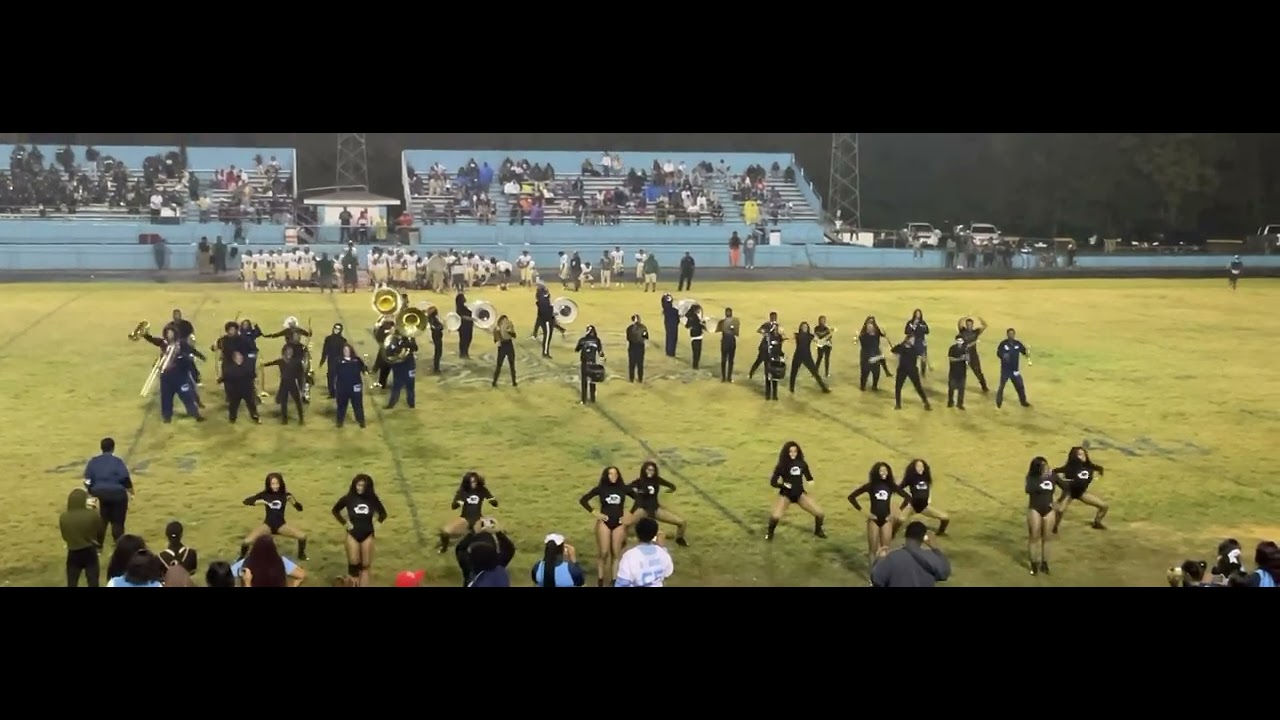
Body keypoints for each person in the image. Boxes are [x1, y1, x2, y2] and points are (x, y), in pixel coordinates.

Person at [579, 466, 637, 586]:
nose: (613, 476)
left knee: (616, 553)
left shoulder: (623, 488)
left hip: (619, 523)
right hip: (604, 523)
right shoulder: (601, 489)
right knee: (604, 552)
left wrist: (629, 514)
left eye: (615, 474)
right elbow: (583, 500)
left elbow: (639, 499)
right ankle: (600, 580)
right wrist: (594, 512)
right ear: (606, 475)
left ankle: (614, 580)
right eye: (610, 474)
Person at [848, 462, 912, 564]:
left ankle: (883, 573)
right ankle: (872, 575)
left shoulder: (891, 485)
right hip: (873, 519)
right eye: (881, 470)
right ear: (876, 472)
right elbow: (851, 497)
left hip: (886, 520)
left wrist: (898, 511)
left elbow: (908, 497)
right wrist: (865, 513)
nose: (884, 473)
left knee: (885, 549)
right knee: (872, 550)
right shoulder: (870, 486)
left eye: (885, 470)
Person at [331, 474, 387, 587]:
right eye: (358, 485)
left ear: (368, 487)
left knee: (365, 566)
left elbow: (383, 514)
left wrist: (376, 525)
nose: (360, 488)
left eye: (363, 485)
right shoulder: (348, 498)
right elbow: (335, 510)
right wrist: (345, 523)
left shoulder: (372, 499)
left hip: (368, 534)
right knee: (353, 564)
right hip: (352, 534)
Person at [765, 441, 826, 541]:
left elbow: (807, 474)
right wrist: (783, 485)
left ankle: (818, 531)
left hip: (799, 494)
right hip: (786, 495)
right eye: (790, 451)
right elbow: (773, 482)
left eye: (795, 451)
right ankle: (769, 534)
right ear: (786, 453)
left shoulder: (801, 463)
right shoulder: (782, 465)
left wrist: (810, 480)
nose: (793, 453)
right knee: (776, 516)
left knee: (820, 514)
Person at [241, 472, 308, 560]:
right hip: (267, 525)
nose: (275, 486)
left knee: (302, 536)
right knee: (246, 542)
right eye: (272, 484)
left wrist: (294, 502)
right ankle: (241, 558)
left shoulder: (286, 495)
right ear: (269, 484)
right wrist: (261, 502)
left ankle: (301, 556)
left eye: (277, 483)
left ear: (281, 483)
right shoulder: (264, 494)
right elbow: (246, 501)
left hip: (281, 525)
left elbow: (300, 509)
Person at [869, 521, 951, 587]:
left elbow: (876, 580)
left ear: (906, 535)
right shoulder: (932, 558)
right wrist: (935, 548)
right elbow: (944, 573)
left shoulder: (892, 558)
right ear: (923, 539)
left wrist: (879, 560)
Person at [83, 437, 134, 545]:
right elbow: (125, 479)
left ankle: (98, 546)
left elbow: (87, 481)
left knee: (102, 520)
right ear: (113, 448)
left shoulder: (93, 462)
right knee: (117, 522)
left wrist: (90, 491)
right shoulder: (117, 462)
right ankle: (119, 545)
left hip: (99, 494)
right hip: (117, 494)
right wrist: (131, 491)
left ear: (101, 448)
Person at [627, 460, 688, 546]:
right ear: (644, 470)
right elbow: (627, 489)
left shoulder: (657, 480)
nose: (650, 472)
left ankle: (679, 539)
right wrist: (638, 493)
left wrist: (671, 489)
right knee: (626, 525)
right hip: (642, 509)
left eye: (652, 470)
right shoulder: (639, 481)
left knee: (682, 522)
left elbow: (671, 485)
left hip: (655, 508)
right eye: (648, 470)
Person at [438, 472, 499, 553]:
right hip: (465, 518)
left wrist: (492, 501)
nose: (474, 484)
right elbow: (453, 506)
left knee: (480, 537)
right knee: (445, 532)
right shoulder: (462, 491)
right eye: (471, 482)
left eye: (475, 481)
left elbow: (494, 503)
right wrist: (460, 502)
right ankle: (443, 548)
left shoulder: (482, 490)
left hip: (477, 518)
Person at [1052, 447, 1108, 533]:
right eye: (1080, 454)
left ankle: (1097, 523)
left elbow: (1099, 468)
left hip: (1081, 493)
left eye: (1084, 454)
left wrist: (1100, 472)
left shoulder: (1089, 466)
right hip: (1069, 492)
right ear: (1074, 456)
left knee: (1104, 506)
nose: (1083, 456)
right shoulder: (1070, 467)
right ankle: (1054, 527)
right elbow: (1055, 471)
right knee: (1060, 511)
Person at [1025, 456, 1063, 576]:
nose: (1047, 468)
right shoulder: (1031, 477)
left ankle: (1045, 564)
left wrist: (1059, 502)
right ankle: (1033, 564)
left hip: (1049, 510)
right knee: (1034, 537)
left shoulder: (1053, 476)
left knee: (1047, 538)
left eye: (1047, 465)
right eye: (1044, 466)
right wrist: (1042, 479)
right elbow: (1029, 489)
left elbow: (1066, 488)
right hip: (1035, 509)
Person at [60, 488, 104, 587]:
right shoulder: (92, 514)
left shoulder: (64, 516)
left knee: (72, 582)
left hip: (73, 551)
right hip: (89, 551)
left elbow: (64, 536)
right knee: (93, 581)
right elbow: (99, 530)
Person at [455, 517, 516, 586]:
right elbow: (509, 549)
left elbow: (460, 549)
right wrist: (498, 532)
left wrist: (473, 533)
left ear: (471, 560)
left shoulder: (470, 570)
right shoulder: (500, 569)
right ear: (495, 555)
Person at [615, 517, 674, 587]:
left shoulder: (630, 556)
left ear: (637, 534)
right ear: (654, 535)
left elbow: (622, 583)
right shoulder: (662, 553)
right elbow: (667, 573)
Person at [897, 459, 950, 535]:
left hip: (924, 507)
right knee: (900, 520)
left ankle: (941, 533)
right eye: (918, 466)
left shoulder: (926, 478)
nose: (920, 468)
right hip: (912, 506)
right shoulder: (911, 478)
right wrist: (907, 497)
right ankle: (892, 533)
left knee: (945, 518)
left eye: (922, 466)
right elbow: (898, 488)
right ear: (913, 468)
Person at [232, 536, 307, 587]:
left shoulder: (246, 564)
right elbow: (301, 575)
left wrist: (247, 582)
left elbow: (226, 575)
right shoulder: (281, 561)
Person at [263, 344, 306, 424]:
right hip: (284, 383)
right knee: (284, 402)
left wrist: (301, 388)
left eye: (291, 351)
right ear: (284, 352)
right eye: (288, 351)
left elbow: (301, 375)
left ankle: (301, 418)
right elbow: (271, 363)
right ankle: (284, 419)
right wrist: (263, 365)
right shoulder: (281, 361)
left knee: (297, 401)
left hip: (293, 383)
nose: (289, 353)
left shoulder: (296, 362)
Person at [890, 335, 931, 410]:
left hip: (912, 370)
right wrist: (898, 348)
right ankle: (898, 404)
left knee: (918, 387)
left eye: (913, 340)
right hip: (902, 370)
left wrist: (923, 356)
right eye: (912, 340)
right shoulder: (901, 347)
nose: (913, 341)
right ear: (907, 340)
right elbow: (893, 350)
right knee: (898, 387)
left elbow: (922, 355)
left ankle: (926, 403)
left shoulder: (914, 348)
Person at [994, 327, 1032, 409]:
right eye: (1010, 334)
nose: (1011, 335)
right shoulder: (1003, 344)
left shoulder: (1017, 344)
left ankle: (1023, 402)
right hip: (1005, 370)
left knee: (1020, 387)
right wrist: (1003, 355)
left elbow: (1024, 351)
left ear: (1014, 334)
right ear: (1007, 335)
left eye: (1012, 334)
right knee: (1002, 386)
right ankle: (998, 402)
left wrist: (1027, 353)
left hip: (1015, 370)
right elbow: (998, 353)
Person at [789, 321, 830, 394]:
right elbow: (790, 340)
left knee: (815, 373)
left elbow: (820, 342)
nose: (804, 328)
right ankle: (791, 388)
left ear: (808, 328)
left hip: (807, 356)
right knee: (793, 373)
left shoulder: (810, 336)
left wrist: (829, 335)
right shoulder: (797, 335)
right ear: (800, 328)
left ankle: (824, 388)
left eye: (806, 327)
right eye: (803, 327)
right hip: (797, 356)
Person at [334, 343, 369, 428]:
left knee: (358, 405)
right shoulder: (338, 360)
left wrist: (365, 370)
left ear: (351, 350)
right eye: (344, 350)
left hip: (355, 387)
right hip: (342, 387)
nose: (346, 352)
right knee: (341, 406)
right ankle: (340, 422)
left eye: (347, 350)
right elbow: (333, 372)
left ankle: (361, 421)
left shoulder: (356, 360)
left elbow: (363, 368)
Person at [384, 333, 419, 410]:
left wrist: (408, 343)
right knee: (396, 386)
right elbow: (388, 351)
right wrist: (400, 348)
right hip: (398, 365)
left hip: (409, 364)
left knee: (410, 386)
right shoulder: (393, 338)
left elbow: (415, 348)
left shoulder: (410, 337)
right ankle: (392, 404)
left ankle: (411, 404)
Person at [957, 316, 990, 392]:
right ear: (966, 324)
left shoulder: (976, 332)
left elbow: (985, 326)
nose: (969, 326)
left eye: (970, 324)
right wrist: (964, 317)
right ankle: (959, 387)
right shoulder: (963, 331)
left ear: (972, 325)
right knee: (960, 371)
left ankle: (984, 387)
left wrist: (979, 318)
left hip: (973, 354)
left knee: (978, 372)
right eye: (967, 324)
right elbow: (959, 323)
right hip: (963, 354)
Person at [857, 316, 890, 391]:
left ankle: (874, 386)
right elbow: (863, 344)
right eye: (869, 327)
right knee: (865, 373)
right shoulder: (863, 336)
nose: (871, 329)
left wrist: (884, 333)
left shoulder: (877, 332)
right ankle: (862, 386)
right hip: (866, 356)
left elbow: (882, 335)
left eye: (872, 327)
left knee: (876, 372)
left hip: (875, 354)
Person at [574, 325, 605, 404]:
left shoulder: (583, 340)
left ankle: (583, 400)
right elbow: (601, 353)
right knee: (592, 382)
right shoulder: (597, 340)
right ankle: (593, 399)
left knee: (584, 382)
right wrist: (603, 358)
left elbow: (577, 349)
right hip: (593, 363)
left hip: (585, 364)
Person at [318, 323, 348, 398]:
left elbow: (345, 352)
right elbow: (325, 350)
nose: (336, 330)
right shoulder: (328, 339)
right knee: (330, 377)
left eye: (338, 329)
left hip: (339, 361)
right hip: (331, 360)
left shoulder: (343, 340)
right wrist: (322, 360)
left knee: (339, 377)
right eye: (335, 328)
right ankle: (332, 392)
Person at [491, 314, 518, 387]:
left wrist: (510, 331)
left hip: (508, 344)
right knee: (499, 365)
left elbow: (514, 335)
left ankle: (514, 382)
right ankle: (494, 382)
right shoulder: (497, 329)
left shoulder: (509, 326)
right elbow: (496, 339)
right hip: (503, 345)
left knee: (511, 365)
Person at [904, 309, 930, 377]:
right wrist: (913, 327)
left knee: (923, 358)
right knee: (912, 358)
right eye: (917, 313)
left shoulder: (923, 323)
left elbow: (927, 331)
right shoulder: (910, 322)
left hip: (921, 341)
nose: (918, 315)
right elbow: (906, 331)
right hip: (912, 342)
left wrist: (924, 328)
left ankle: (923, 372)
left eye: (919, 314)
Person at [717, 308, 741, 382]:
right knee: (729, 360)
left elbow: (717, 329)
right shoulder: (735, 321)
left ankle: (725, 377)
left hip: (725, 341)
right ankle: (727, 377)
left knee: (725, 360)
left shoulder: (723, 322)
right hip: (730, 342)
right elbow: (737, 333)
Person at [946, 335, 969, 409]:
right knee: (951, 388)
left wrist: (967, 358)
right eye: (958, 340)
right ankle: (950, 402)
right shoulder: (952, 348)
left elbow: (968, 359)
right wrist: (960, 359)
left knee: (961, 389)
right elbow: (951, 359)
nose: (960, 342)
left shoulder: (965, 349)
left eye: (961, 341)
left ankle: (960, 404)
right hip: (953, 372)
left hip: (962, 372)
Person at [763, 329, 785, 401]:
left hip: (776, 360)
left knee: (775, 378)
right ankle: (768, 395)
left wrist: (781, 357)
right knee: (768, 378)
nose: (776, 331)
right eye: (774, 330)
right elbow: (764, 348)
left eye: (777, 330)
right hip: (769, 360)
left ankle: (775, 395)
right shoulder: (768, 338)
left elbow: (780, 349)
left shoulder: (779, 338)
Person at [626, 314, 649, 382]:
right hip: (640, 347)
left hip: (632, 346)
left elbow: (628, 338)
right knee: (640, 364)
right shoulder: (643, 328)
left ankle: (631, 378)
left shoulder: (629, 328)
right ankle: (640, 379)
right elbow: (646, 337)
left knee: (632, 364)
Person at [454, 293, 475, 358]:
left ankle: (465, 353)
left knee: (468, 339)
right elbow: (462, 316)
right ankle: (463, 353)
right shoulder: (460, 308)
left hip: (468, 325)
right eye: (463, 297)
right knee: (464, 340)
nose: (465, 298)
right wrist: (472, 319)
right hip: (464, 326)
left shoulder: (464, 306)